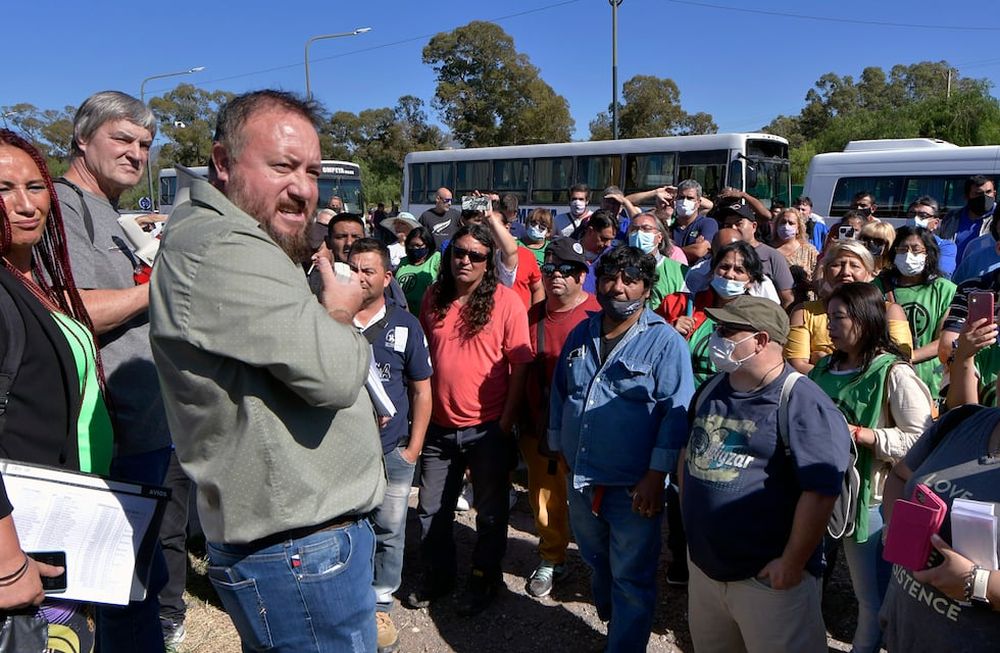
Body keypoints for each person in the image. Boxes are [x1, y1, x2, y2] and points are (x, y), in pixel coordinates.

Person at [149, 89, 387, 652]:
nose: (304, 188)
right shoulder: (224, 245)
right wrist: (340, 310)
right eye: (282, 166)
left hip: (302, 545)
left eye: (310, 170)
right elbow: (333, 373)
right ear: (224, 162)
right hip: (297, 550)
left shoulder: (236, 238)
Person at [55, 90, 172, 651]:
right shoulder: (61, 205)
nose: (136, 153)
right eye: (122, 139)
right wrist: (156, 288)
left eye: (145, 144)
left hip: (144, 428)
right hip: (108, 436)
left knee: (139, 584)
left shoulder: (105, 210)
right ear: (82, 137)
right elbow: (70, 313)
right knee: (122, 593)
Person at [681, 295, 850, 653]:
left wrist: (791, 563)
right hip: (706, 571)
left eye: (727, 330)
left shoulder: (801, 400)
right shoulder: (712, 388)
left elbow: (820, 491)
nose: (715, 336)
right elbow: (688, 454)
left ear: (759, 340)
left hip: (768, 582)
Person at [0, 129, 115, 652]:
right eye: (4, 189)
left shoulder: (33, 277)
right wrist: (5, 563)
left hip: (58, 517)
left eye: (34, 185)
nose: (26, 204)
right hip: (18, 539)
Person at [548, 245, 695, 652]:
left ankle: (624, 643)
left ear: (647, 289)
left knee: (632, 574)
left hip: (633, 486)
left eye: (630, 280)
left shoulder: (665, 343)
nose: (618, 287)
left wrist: (655, 475)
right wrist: (559, 445)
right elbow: (562, 392)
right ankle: (615, 615)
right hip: (581, 475)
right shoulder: (583, 331)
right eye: (611, 278)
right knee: (596, 558)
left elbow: (675, 413)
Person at [410, 223, 532, 615]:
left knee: (491, 512)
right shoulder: (434, 296)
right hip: (438, 429)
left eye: (476, 255)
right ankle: (439, 574)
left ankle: (485, 576)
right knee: (431, 508)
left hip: (487, 429)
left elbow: (521, 366)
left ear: (488, 262)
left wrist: (504, 422)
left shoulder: (507, 301)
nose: (465, 260)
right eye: (458, 253)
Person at [808, 282, 934, 653]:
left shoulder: (894, 373)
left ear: (865, 320)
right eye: (829, 317)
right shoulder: (823, 368)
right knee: (810, 582)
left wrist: (862, 434)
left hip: (871, 501)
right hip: (821, 493)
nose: (829, 325)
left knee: (871, 598)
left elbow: (921, 440)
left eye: (839, 318)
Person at [348, 238, 432, 653]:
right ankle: (351, 598)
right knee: (347, 529)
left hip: (393, 450)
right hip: (344, 454)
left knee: (390, 528)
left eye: (369, 270)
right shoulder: (330, 321)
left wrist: (412, 449)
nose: (359, 277)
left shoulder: (405, 325)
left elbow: (421, 390)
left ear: (387, 277)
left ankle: (381, 600)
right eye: (354, 268)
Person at [879, 407, 1000, 651]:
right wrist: (894, 530)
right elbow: (900, 475)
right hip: (903, 635)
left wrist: (978, 583)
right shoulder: (961, 421)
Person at [519, 238, 600, 598]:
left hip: (590, 429)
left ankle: (603, 565)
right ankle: (553, 557)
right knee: (545, 499)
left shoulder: (599, 315)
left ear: (582, 276)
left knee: (596, 502)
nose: (556, 276)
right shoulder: (531, 316)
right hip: (540, 426)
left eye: (566, 270)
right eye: (550, 268)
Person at [786, 240, 913, 374]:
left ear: (869, 274)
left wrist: (824, 363)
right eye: (837, 265)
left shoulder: (889, 311)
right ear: (826, 272)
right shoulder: (803, 313)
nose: (845, 272)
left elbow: (900, 363)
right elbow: (797, 366)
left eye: (855, 266)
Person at [674, 240, 780, 386]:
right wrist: (671, 331)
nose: (729, 275)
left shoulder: (761, 320)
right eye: (724, 267)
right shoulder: (681, 305)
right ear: (712, 271)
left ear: (751, 280)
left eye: (739, 270)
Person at [874, 227, 956, 399]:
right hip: (883, 375)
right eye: (902, 249)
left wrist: (908, 357)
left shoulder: (945, 290)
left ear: (929, 254)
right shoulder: (877, 287)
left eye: (916, 249)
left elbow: (944, 340)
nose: (908, 254)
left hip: (929, 379)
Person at [718, 203, 795, 307]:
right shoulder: (718, 253)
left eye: (738, 223)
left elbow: (788, 299)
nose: (733, 228)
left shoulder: (772, 256)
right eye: (727, 225)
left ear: (754, 226)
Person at [626, 212, 686, 320]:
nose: (639, 233)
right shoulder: (620, 267)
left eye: (646, 229)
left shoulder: (681, 272)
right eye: (634, 229)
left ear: (659, 237)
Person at [939, 174, 996, 262]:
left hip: (983, 274)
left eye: (988, 192)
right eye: (978, 194)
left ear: (994, 193)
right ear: (967, 196)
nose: (984, 197)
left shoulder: (997, 219)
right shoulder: (951, 217)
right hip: (951, 274)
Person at [771, 206, 820, 305]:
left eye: (791, 223)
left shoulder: (810, 251)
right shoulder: (769, 251)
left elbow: (818, 278)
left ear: (798, 228)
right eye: (783, 222)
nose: (786, 226)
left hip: (804, 304)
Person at [395, 226, 441, 315]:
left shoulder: (436, 258)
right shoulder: (403, 261)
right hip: (403, 313)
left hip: (426, 313)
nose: (415, 248)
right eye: (411, 245)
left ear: (427, 244)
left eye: (418, 245)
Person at [907, 196, 956, 278]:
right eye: (912, 214)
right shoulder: (896, 240)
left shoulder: (945, 246)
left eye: (923, 215)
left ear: (935, 223)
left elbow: (943, 273)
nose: (915, 219)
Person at [671, 179, 718, 264]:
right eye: (681, 197)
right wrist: (692, 248)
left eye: (690, 198)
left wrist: (672, 252)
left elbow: (700, 251)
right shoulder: (669, 227)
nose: (684, 202)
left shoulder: (707, 223)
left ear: (698, 202)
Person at [578, 210, 617, 293]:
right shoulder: (568, 252)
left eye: (611, 240)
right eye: (604, 239)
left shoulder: (614, 257)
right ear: (590, 231)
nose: (608, 244)